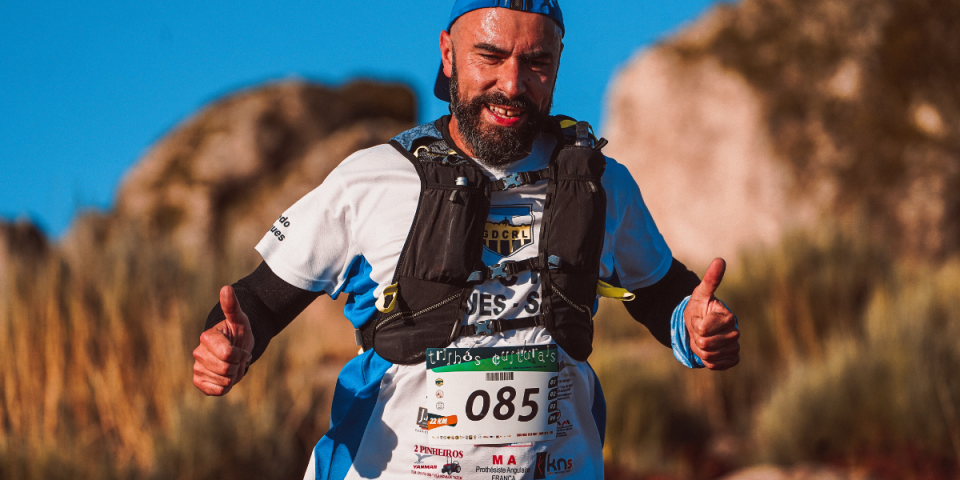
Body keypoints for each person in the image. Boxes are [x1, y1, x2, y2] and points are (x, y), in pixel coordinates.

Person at [191, 1, 740, 479]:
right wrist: (229, 346)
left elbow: (666, 297)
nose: (512, 85)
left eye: (537, 63)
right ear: (448, 53)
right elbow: (257, 303)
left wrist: (697, 331)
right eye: (491, 56)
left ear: (557, 66)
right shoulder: (371, 179)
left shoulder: (602, 184)